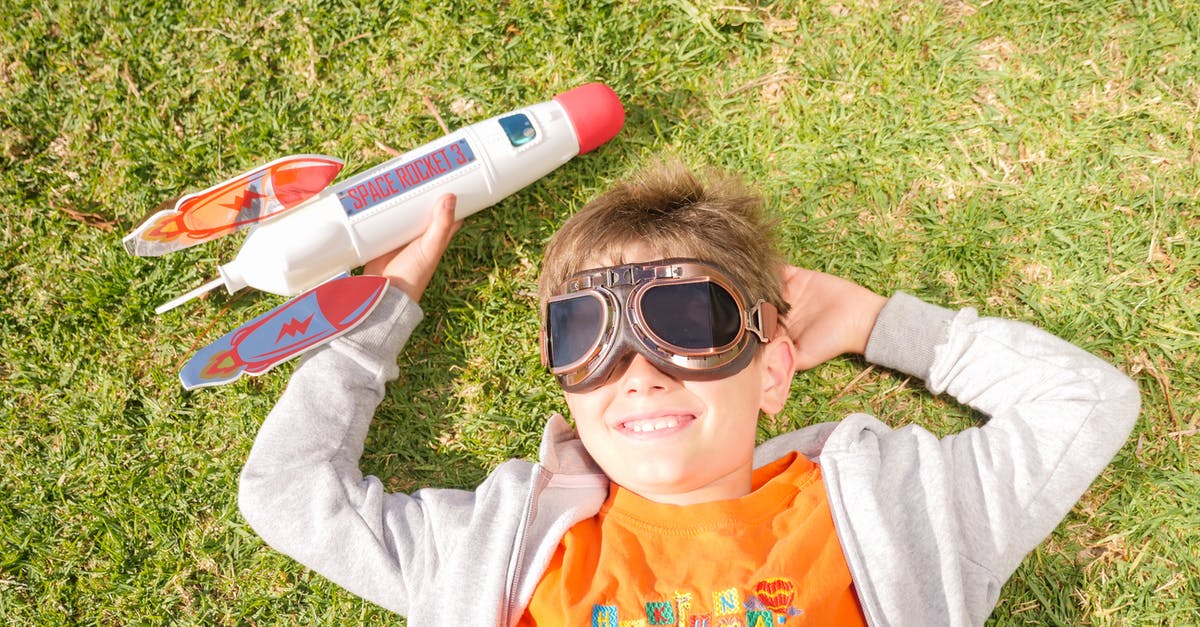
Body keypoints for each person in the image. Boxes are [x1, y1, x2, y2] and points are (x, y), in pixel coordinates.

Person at [238, 164, 1140, 626]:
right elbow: (287, 492)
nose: (641, 368)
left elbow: (1083, 403)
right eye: (587, 332)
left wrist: (878, 322)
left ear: (775, 368)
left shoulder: (903, 512)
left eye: (688, 319)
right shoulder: (492, 548)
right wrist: (378, 315)